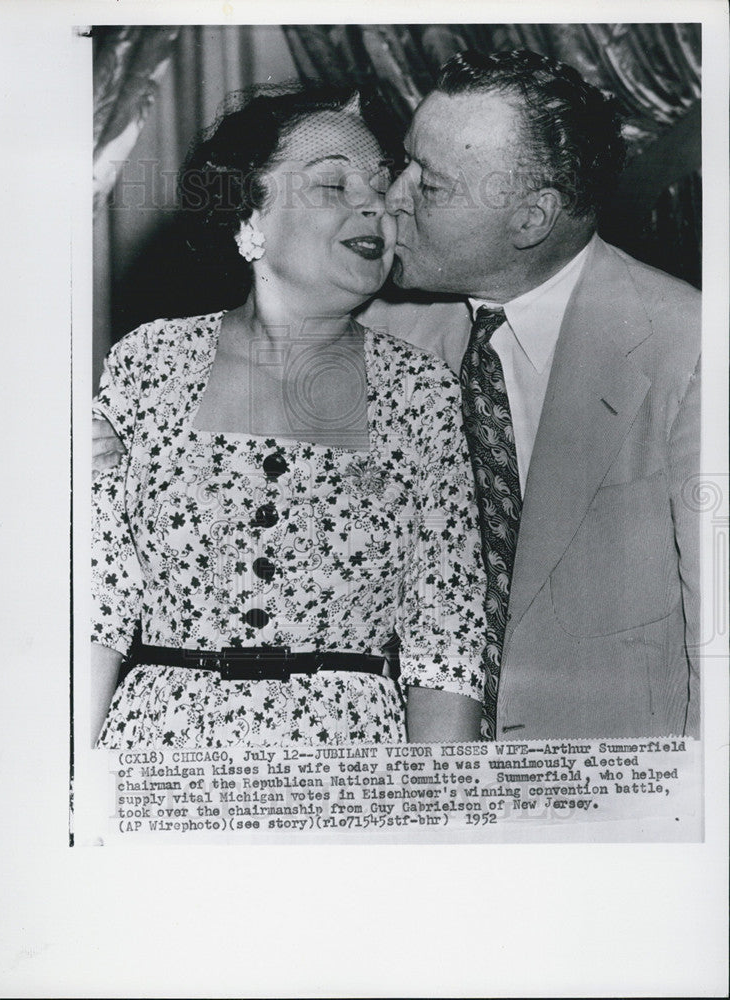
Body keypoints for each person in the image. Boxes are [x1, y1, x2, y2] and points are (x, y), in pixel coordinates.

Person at [91, 87, 487, 749]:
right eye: (332, 183)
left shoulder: (420, 392)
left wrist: (433, 822)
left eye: (381, 187)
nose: (375, 205)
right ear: (248, 222)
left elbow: (444, 644)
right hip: (161, 755)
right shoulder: (151, 362)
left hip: (350, 774)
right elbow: (97, 607)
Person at [372, 49, 700, 740]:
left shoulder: (688, 347)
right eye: (402, 162)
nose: (391, 196)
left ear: (530, 220)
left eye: (427, 186)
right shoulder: (371, 335)